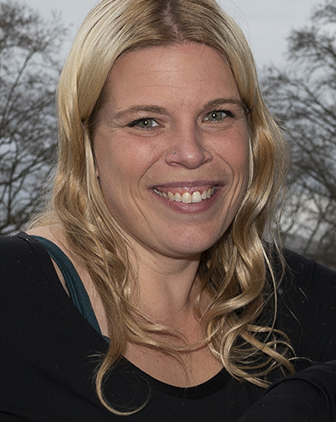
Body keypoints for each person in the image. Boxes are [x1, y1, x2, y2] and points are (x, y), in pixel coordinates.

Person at [0, 0, 335, 420]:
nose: (191, 153)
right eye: (146, 121)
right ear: (88, 146)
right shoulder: (13, 296)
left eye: (217, 115)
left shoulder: (290, 295)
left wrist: (309, 398)